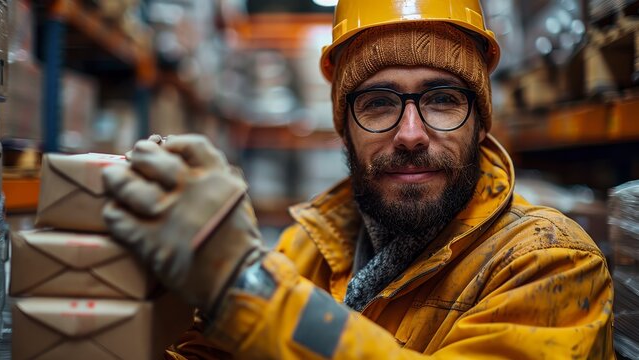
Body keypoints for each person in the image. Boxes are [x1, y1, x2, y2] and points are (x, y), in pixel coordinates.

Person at [102, 0, 615, 358]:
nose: (410, 134)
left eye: (441, 100)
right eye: (378, 103)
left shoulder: (551, 263)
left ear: (481, 122)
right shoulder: (310, 246)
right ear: (343, 130)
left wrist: (244, 286)